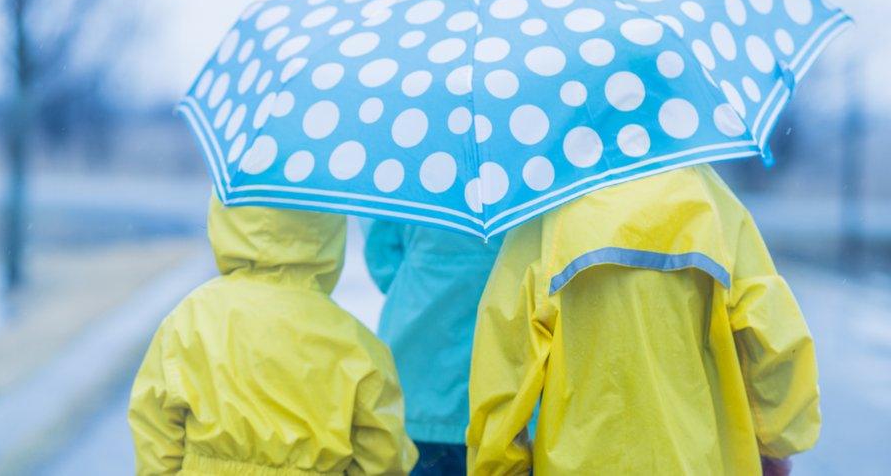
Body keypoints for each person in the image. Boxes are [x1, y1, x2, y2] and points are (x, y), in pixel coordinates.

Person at [467, 165, 820, 475]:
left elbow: (504, 358)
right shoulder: (710, 198)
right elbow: (775, 337)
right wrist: (777, 443)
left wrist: (499, 465)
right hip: (700, 461)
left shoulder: (546, 210)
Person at [128, 196, 417, 475]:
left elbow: (155, 421)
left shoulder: (191, 317)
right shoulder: (354, 342)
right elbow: (382, 454)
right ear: (327, 231)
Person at [364, 222, 502, 475]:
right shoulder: (524, 189)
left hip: (418, 378)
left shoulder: (414, 184)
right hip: (504, 395)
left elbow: (381, 256)